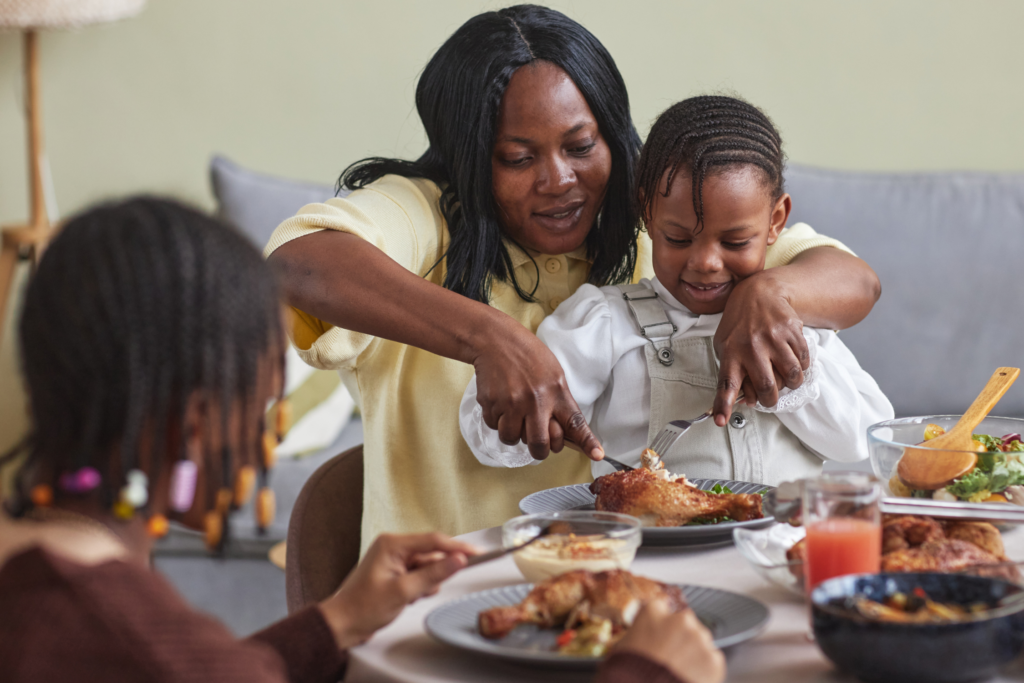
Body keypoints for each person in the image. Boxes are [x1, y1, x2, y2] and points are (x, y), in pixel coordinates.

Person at [0, 197, 725, 683]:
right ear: (194, 425)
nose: (264, 443)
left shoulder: (44, 581)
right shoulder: (131, 636)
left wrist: (336, 619)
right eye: (263, 412)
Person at [266, 5, 881, 549]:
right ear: (468, 156)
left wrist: (772, 292)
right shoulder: (421, 216)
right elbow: (298, 264)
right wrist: (487, 337)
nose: (559, 179)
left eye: (582, 145)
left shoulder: (671, 218)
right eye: (517, 157)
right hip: (439, 595)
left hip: (617, 593)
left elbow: (852, 280)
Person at [462, 96, 894, 483]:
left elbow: (861, 442)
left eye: (734, 242)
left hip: (784, 550)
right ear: (647, 213)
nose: (705, 262)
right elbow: (493, 437)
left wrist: (793, 374)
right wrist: (521, 420)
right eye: (679, 239)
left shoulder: (796, 322)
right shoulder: (606, 321)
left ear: (776, 221)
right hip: (653, 554)